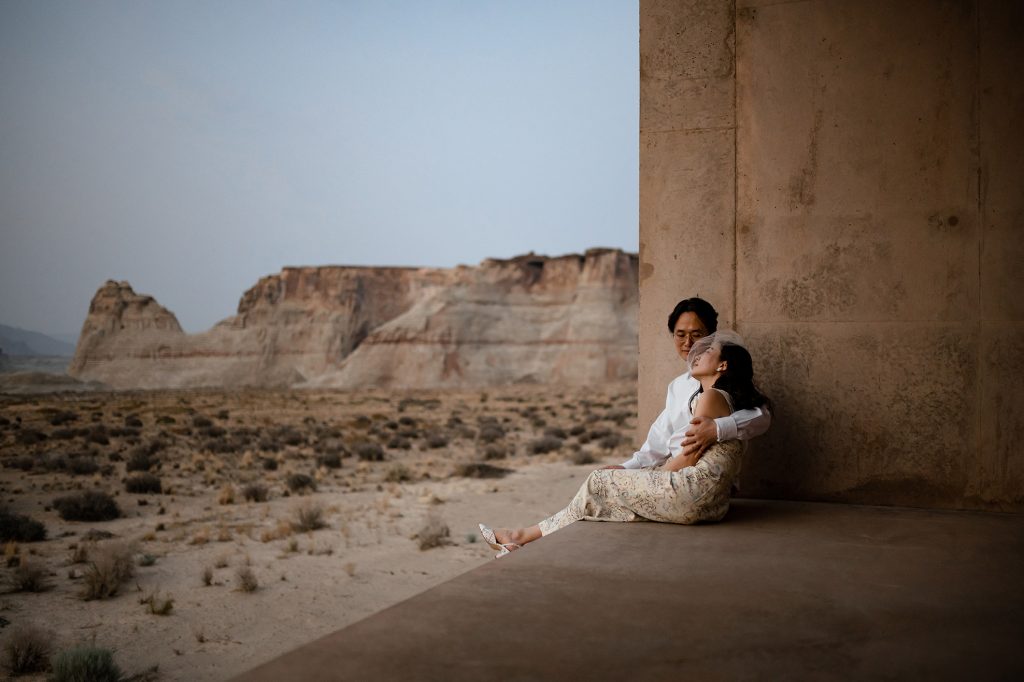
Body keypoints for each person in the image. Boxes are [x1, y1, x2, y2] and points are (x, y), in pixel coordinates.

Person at [479, 329, 771, 557]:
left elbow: (689, 456)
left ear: (723, 365)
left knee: (599, 481)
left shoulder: (712, 397)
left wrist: (652, 478)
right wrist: (636, 472)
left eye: (708, 350)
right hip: (710, 503)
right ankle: (520, 539)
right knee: (605, 490)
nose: (697, 353)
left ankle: (521, 537)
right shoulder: (718, 398)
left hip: (692, 494)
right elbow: (662, 443)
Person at [609, 297, 770, 471]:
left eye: (696, 335)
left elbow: (761, 416)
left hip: (703, 476)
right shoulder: (677, 386)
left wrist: (717, 428)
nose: (688, 343)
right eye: (681, 335)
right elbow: (659, 439)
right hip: (677, 472)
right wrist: (624, 468)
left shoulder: (727, 381)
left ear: (711, 336)